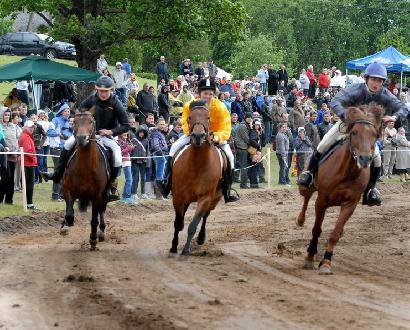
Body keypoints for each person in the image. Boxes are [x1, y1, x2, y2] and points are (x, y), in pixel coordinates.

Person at [298, 62, 408, 206]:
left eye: (380, 80)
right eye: (374, 79)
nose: (376, 83)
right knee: (324, 142)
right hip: (348, 124)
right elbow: (336, 101)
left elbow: (403, 107)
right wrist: (347, 115)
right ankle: (309, 174)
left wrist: (395, 117)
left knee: (377, 158)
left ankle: (371, 190)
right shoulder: (355, 89)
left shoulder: (384, 93)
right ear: (367, 78)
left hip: (367, 132)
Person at [42, 76, 130, 202]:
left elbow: (126, 125)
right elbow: (79, 110)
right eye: (100, 91)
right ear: (97, 89)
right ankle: (57, 174)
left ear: (111, 90)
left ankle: (110, 187)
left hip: (105, 136)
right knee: (67, 144)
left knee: (117, 155)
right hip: (85, 133)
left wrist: (110, 131)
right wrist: (78, 118)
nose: (103, 94)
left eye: (106, 91)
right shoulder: (92, 98)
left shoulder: (116, 103)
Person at [164, 78, 239, 202]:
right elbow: (184, 121)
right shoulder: (190, 105)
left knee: (230, 156)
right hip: (195, 133)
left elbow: (225, 126)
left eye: (210, 93)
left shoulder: (220, 106)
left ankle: (227, 190)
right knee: (173, 148)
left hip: (215, 135)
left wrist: (217, 137)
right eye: (205, 93)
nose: (208, 96)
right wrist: (193, 133)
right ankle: (167, 182)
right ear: (200, 93)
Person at [0, 108, 19, 204]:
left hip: (13, 155)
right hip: (4, 156)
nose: (7, 117)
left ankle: (9, 200)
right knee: (5, 177)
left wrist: (17, 150)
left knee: (12, 178)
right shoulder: (0, 126)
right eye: (5, 115)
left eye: (8, 115)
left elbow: (16, 139)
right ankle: (0, 198)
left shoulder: (13, 126)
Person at [19, 120, 39, 210]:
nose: (32, 129)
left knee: (28, 183)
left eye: (33, 127)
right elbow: (28, 151)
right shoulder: (26, 136)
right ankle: (29, 203)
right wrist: (34, 159)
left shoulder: (26, 136)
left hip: (27, 162)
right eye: (30, 127)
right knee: (29, 184)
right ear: (25, 127)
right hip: (28, 163)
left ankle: (28, 203)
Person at [149, 117, 169, 195]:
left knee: (161, 174)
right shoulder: (155, 133)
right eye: (161, 124)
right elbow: (155, 146)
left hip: (163, 155)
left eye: (164, 124)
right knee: (159, 175)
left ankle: (159, 193)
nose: (163, 126)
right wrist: (162, 155)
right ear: (156, 124)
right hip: (158, 155)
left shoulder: (160, 133)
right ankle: (158, 194)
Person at [130, 124, 150, 199]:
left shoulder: (146, 141)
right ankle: (134, 193)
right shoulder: (133, 140)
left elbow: (148, 152)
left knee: (143, 178)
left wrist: (147, 162)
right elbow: (130, 152)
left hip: (143, 161)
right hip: (135, 161)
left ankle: (143, 193)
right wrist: (131, 160)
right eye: (140, 132)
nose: (142, 133)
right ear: (138, 132)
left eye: (143, 132)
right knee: (135, 177)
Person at [234, 112, 253, 189]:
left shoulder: (245, 125)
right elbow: (247, 139)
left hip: (243, 148)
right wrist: (254, 146)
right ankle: (243, 184)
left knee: (241, 166)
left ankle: (239, 181)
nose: (251, 119)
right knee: (244, 167)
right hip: (242, 148)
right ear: (246, 118)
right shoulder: (242, 126)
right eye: (250, 118)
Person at [118, 132, 134, 204]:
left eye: (126, 133)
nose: (125, 134)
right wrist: (128, 148)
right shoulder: (119, 141)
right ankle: (127, 197)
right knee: (129, 179)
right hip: (124, 162)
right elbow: (119, 152)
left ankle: (125, 196)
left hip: (127, 161)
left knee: (129, 179)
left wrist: (130, 148)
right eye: (123, 133)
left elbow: (126, 151)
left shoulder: (125, 141)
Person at [248, 118, 263, 188]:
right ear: (254, 125)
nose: (257, 126)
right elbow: (252, 141)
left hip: (256, 150)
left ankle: (254, 183)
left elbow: (263, 140)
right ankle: (254, 184)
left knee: (255, 167)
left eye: (259, 125)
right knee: (254, 167)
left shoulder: (258, 132)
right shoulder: (253, 132)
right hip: (253, 151)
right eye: (256, 125)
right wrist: (258, 146)